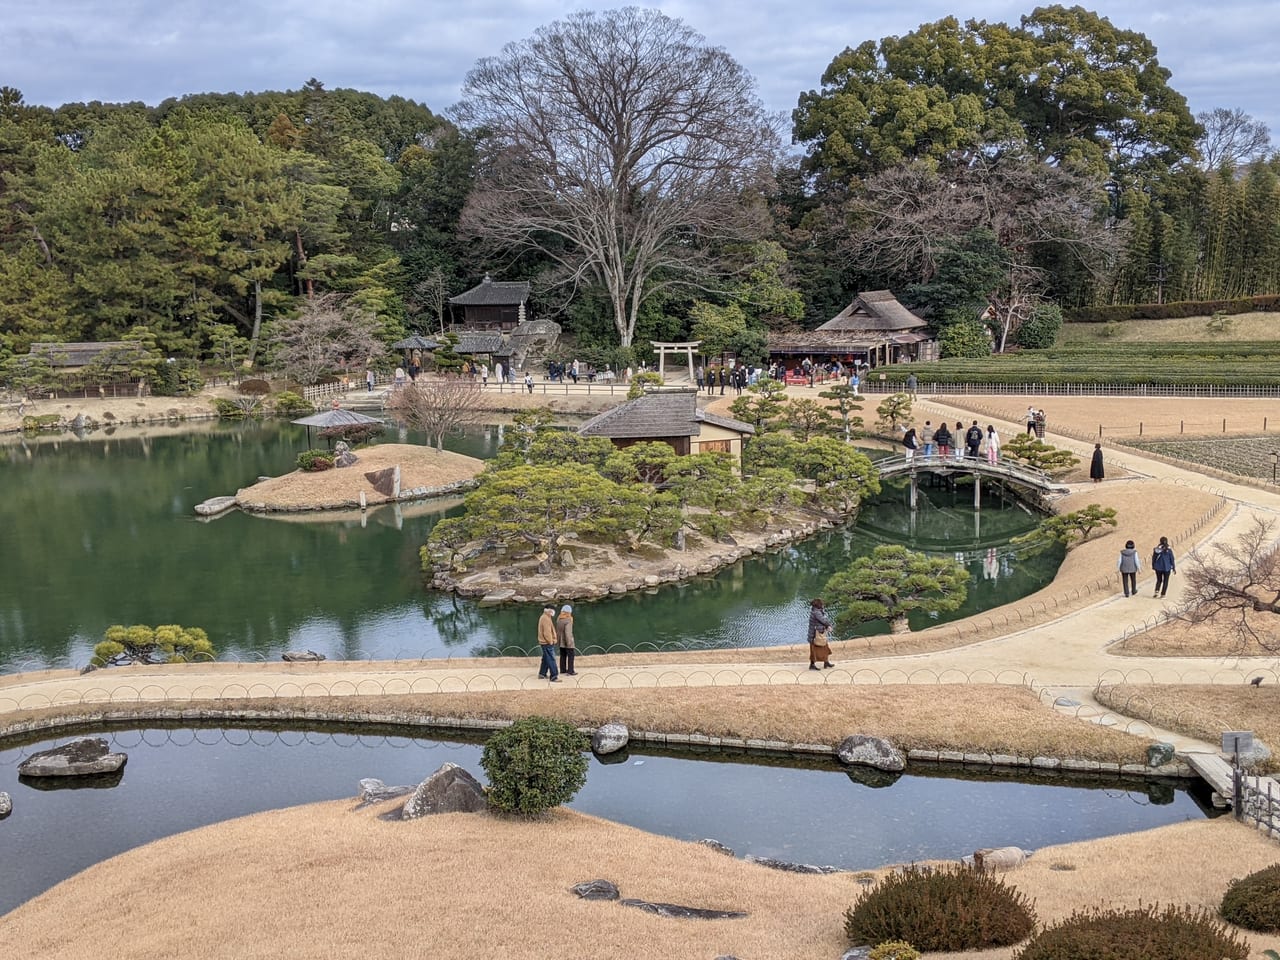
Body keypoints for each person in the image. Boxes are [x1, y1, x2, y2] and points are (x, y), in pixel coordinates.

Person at [807, 598, 834, 670]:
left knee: (825, 648)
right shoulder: (816, 612)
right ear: (818, 605)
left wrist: (827, 626)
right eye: (821, 604)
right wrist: (829, 625)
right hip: (815, 635)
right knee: (814, 650)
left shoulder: (817, 611)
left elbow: (822, 621)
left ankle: (826, 662)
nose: (823, 605)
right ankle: (812, 665)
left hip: (820, 634)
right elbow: (823, 620)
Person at [537, 606, 560, 681]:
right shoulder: (545, 618)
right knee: (551, 658)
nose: (553, 612)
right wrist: (551, 641)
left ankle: (542, 673)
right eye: (552, 610)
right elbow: (547, 632)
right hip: (546, 643)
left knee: (546, 658)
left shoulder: (546, 617)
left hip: (545, 642)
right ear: (549, 610)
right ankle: (554, 676)